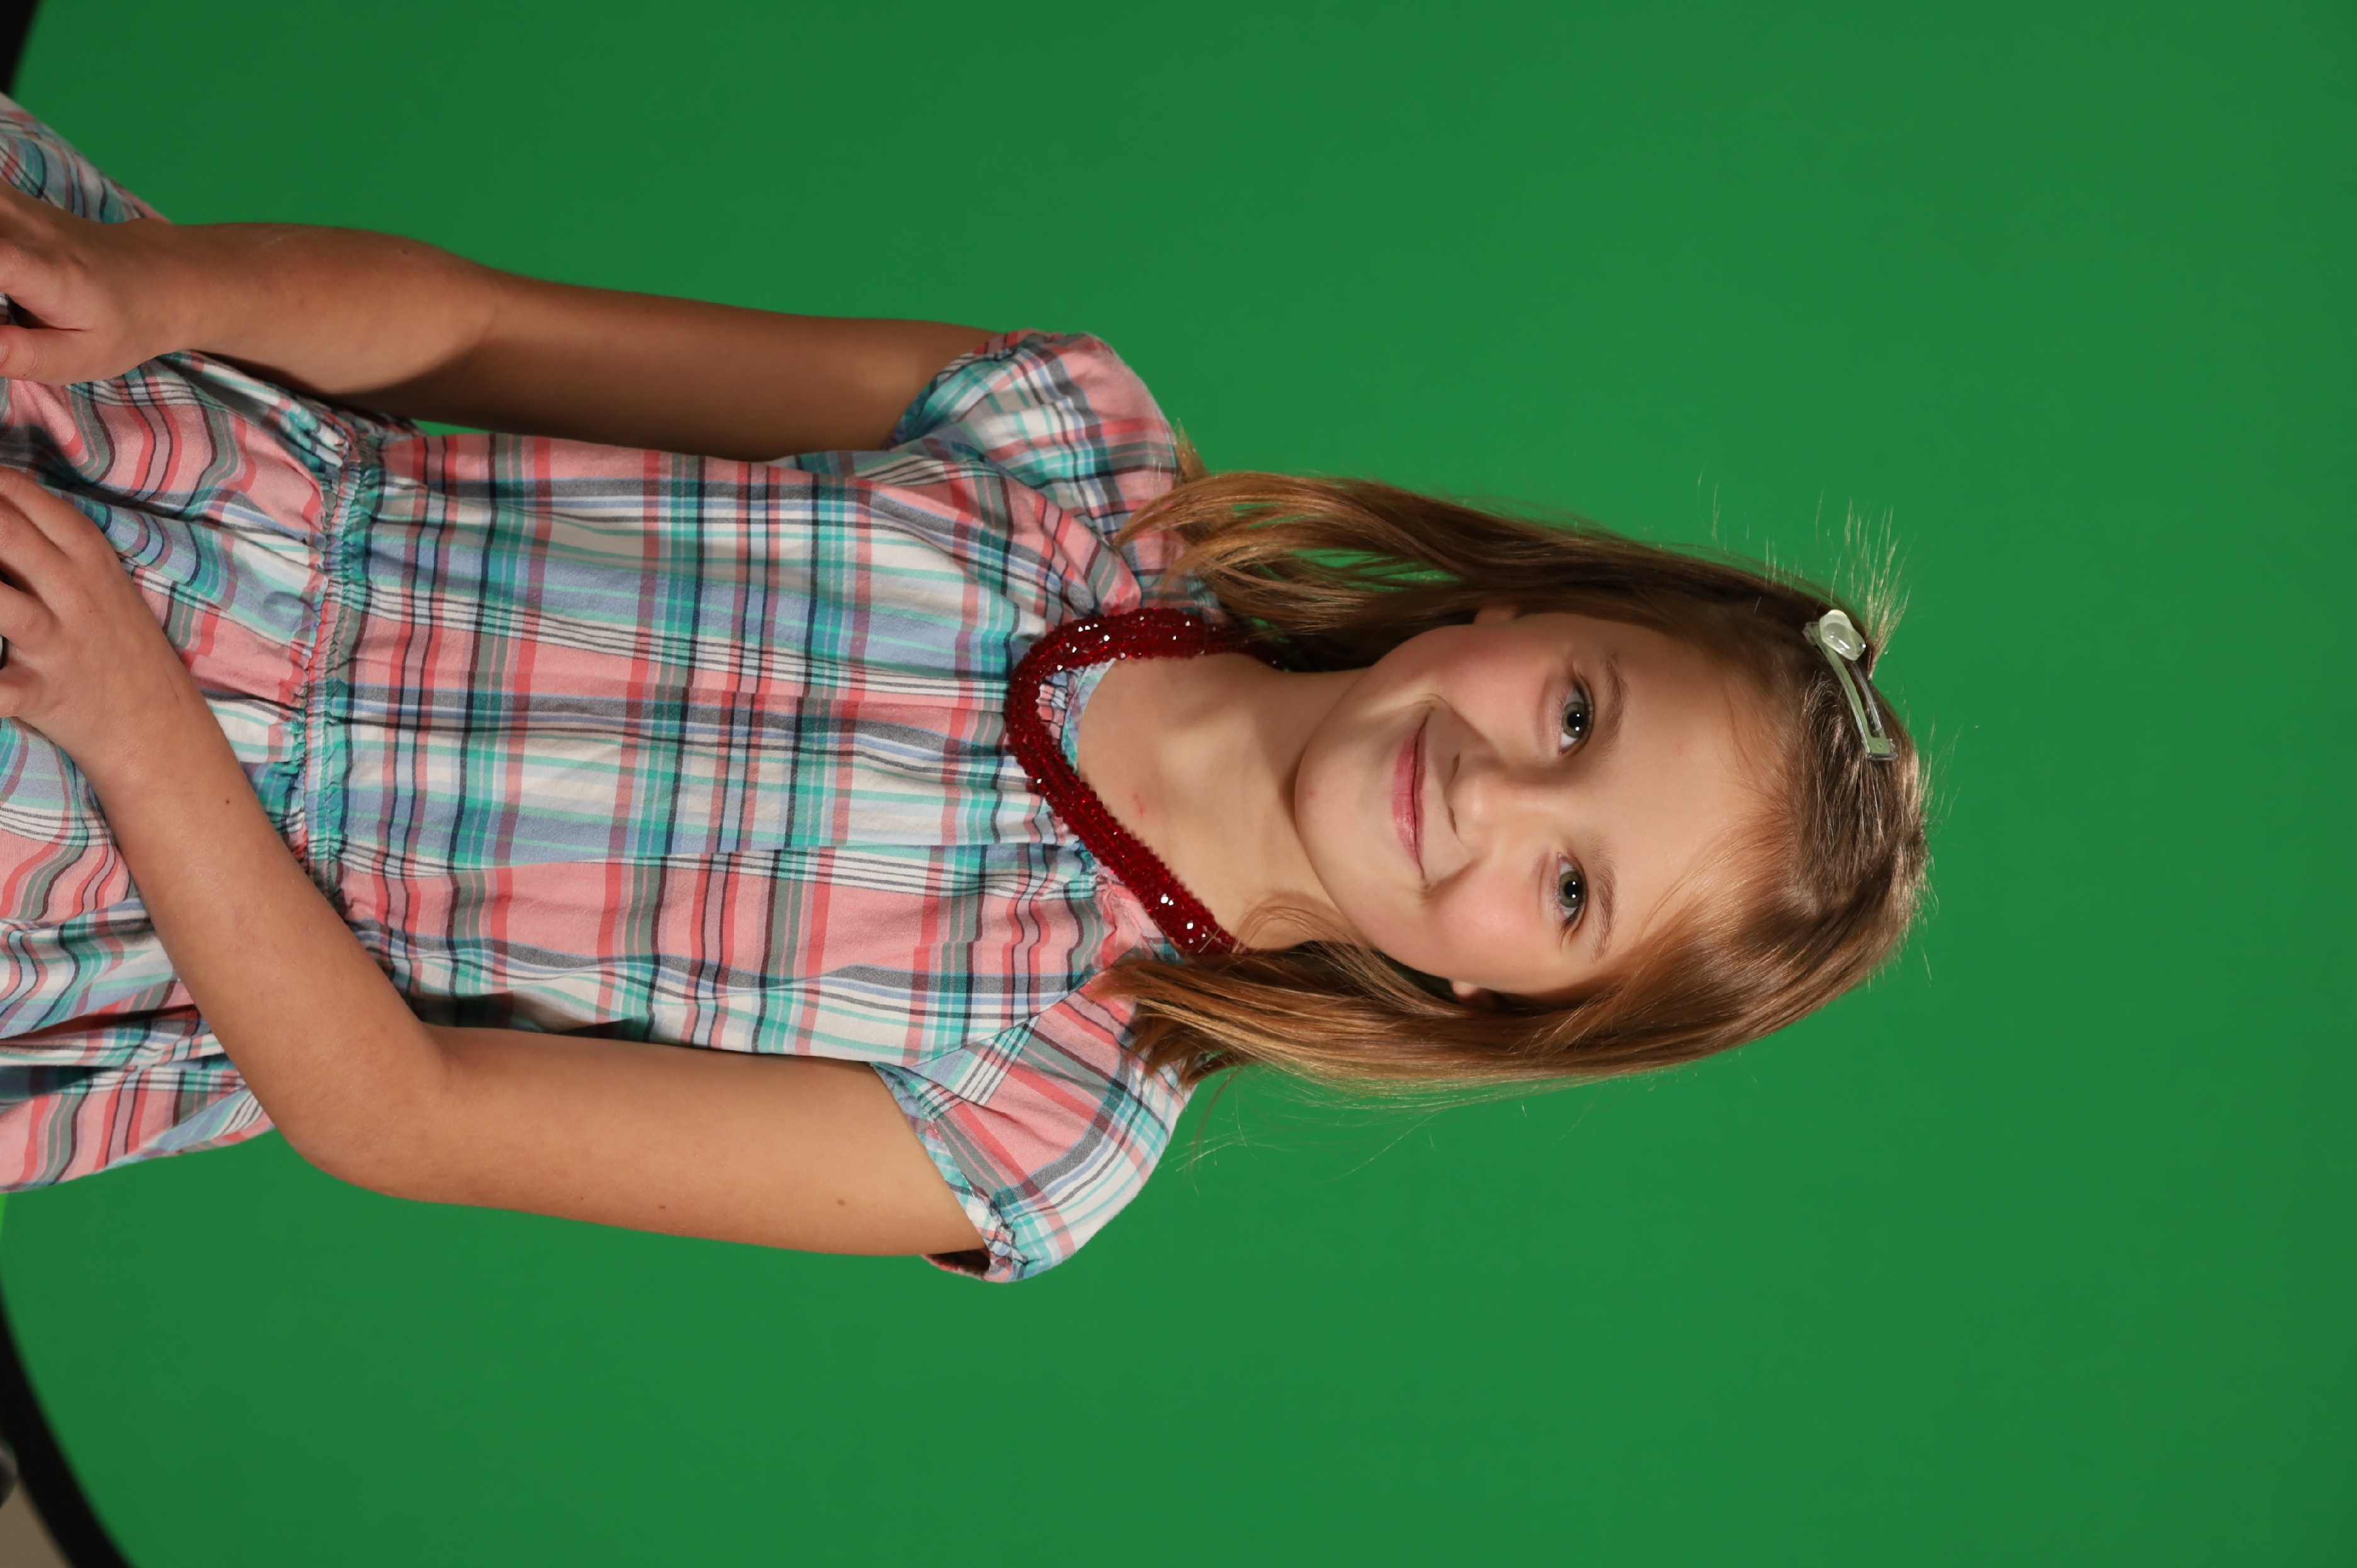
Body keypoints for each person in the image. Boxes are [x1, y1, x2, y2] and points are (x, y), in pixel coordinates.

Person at [0, 98, 1926, 1282]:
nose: (1496, 795)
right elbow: (478, 329)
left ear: (1508, 1008)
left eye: (1570, 889)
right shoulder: (1070, 443)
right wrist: (161, 294)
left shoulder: (1040, 1115)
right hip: (145, 456)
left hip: (111, 842)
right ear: (1529, 606)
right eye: (1577, 713)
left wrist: (140, 730)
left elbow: (407, 1112)